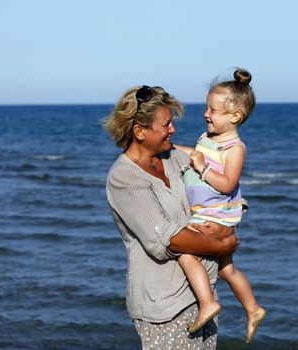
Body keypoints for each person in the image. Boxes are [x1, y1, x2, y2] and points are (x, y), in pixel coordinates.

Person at [102, 84, 239, 349]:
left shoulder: (173, 157)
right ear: (139, 132)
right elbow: (168, 239)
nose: (172, 129)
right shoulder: (124, 178)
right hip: (164, 306)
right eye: (165, 125)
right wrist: (222, 246)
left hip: (202, 296)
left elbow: (210, 175)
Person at [175, 68, 266, 343]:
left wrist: (203, 170)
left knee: (182, 250)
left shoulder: (234, 148)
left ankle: (208, 303)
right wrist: (170, 149)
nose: (206, 113)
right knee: (227, 269)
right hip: (208, 211)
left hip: (217, 215)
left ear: (234, 116)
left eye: (213, 110)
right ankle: (253, 308)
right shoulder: (207, 138)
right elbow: (195, 154)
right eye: (207, 107)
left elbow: (227, 183)